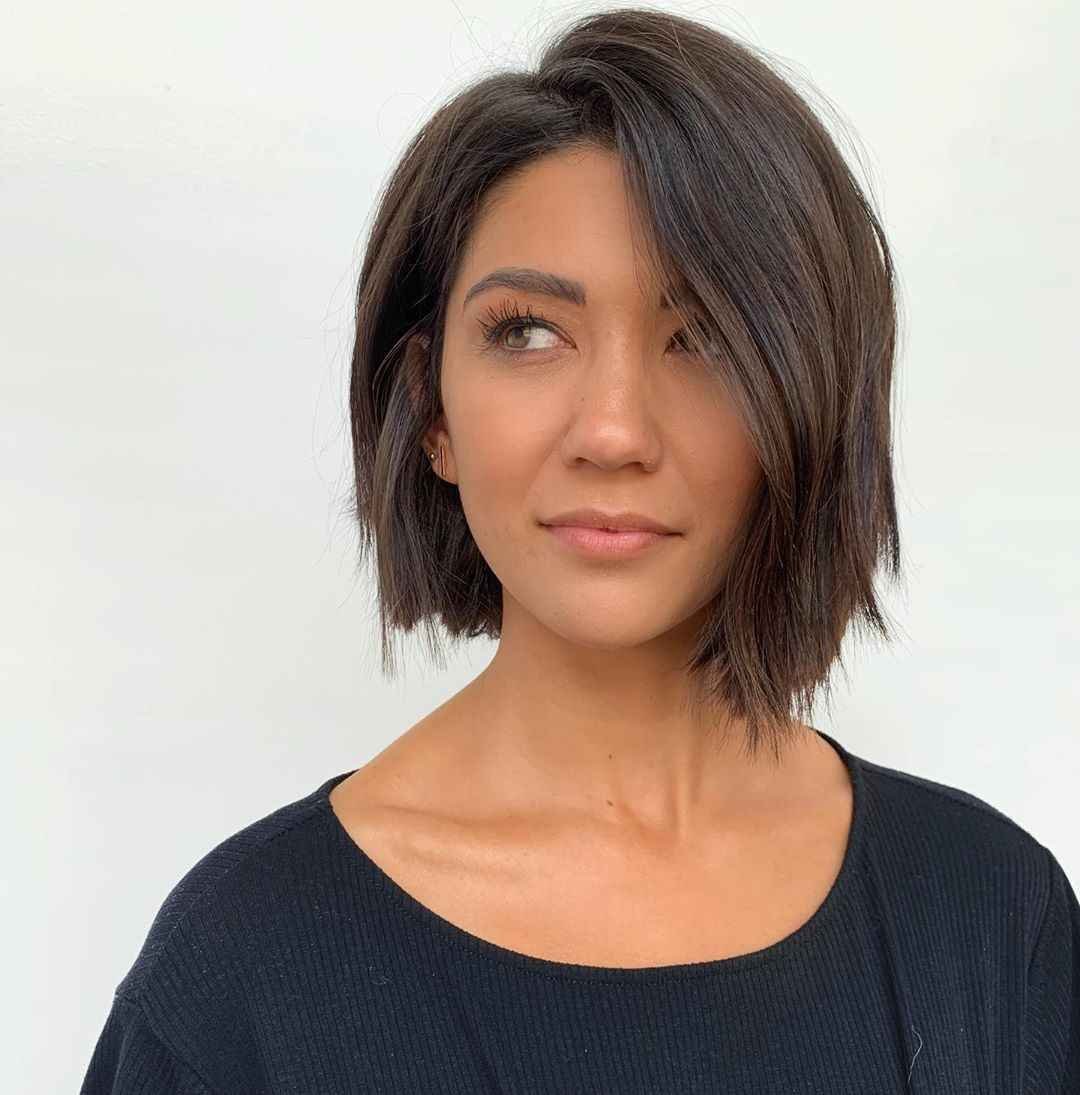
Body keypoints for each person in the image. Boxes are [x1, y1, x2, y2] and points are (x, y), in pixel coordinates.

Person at [80, 7, 1078, 1093]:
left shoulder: (989, 916)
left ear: (810, 397)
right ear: (430, 409)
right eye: (529, 332)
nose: (612, 431)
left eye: (705, 338)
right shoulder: (240, 974)